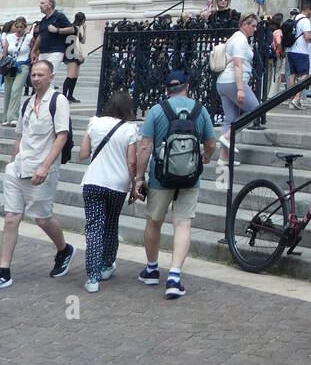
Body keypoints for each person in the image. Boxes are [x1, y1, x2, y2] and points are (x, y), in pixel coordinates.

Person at [133, 70, 215, 299]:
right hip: (190, 176)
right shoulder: (200, 110)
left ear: (167, 89)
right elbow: (210, 142)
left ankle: (151, 269)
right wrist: (205, 157)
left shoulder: (157, 111)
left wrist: (139, 177)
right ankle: (174, 276)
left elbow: (145, 146)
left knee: (154, 221)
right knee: (183, 224)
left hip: (160, 177)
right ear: (187, 87)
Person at [0, 58, 75, 289]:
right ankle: (4, 269)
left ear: (51, 77)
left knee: (42, 218)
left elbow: (62, 136)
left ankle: (64, 249)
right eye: (33, 75)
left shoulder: (58, 101)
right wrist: (13, 163)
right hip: (19, 167)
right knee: (12, 217)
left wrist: (45, 166)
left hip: (43, 169)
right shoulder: (28, 102)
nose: (35, 78)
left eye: (41, 75)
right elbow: (20, 136)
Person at [79, 91, 138, 293]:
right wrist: (134, 184)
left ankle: (92, 276)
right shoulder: (130, 129)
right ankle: (106, 265)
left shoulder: (94, 123)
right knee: (111, 223)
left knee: (94, 227)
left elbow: (83, 153)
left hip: (94, 181)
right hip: (117, 184)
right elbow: (131, 161)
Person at [215, 14, 259, 174]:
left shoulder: (234, 38)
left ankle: (223, 158)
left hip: (223, 83)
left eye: (255, 26)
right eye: (252, 26)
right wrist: (240, 89)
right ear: (244, 24)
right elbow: (238, 65)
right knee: (255, 110)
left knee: (230, 119)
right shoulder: (240, 40)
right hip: (233, 82)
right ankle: (227, 137)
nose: (255, 29)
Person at [287, 4, 311, 111]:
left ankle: (291, 100)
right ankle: (296, 99)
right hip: (301, 52)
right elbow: (307, 37)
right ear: (308, 9)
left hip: (291, 50)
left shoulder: (295, 18)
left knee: (293, 75)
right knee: (305, 74)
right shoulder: (306, 21)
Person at [2, 16, 33, 125]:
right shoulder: (9, 37)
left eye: (21, 27)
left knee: (16, 90)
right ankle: (5, 118)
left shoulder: (29, 37)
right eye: (17, 26)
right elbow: (5, 51)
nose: (19, 29)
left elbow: (34, 49)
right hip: (10, 66)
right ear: (14, 26)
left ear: (25, 27)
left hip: (23, 66)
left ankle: (13, 117)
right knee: (8, 91)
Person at [33, 0, 73, 77]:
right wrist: (33, 51)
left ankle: (47, 89)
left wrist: (57, 30)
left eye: (42, 3)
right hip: (43, 52)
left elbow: (72, 29)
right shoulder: (43, 20)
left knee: (48, 75)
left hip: (55, 51)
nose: (40, 5)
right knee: (40, 75)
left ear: (50, 5)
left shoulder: (59, 16)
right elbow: (40, 36)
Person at [61, 11, 86, 103]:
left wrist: (84, 30)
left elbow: (82, 40)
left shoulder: (74, 27)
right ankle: (64, 96)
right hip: (71, 52)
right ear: (83, 20)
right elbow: (78, 42)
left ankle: (70, 95)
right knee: (71, 75)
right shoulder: (75, 28)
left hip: (71, 52)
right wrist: (80, 53)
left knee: (75, 75)